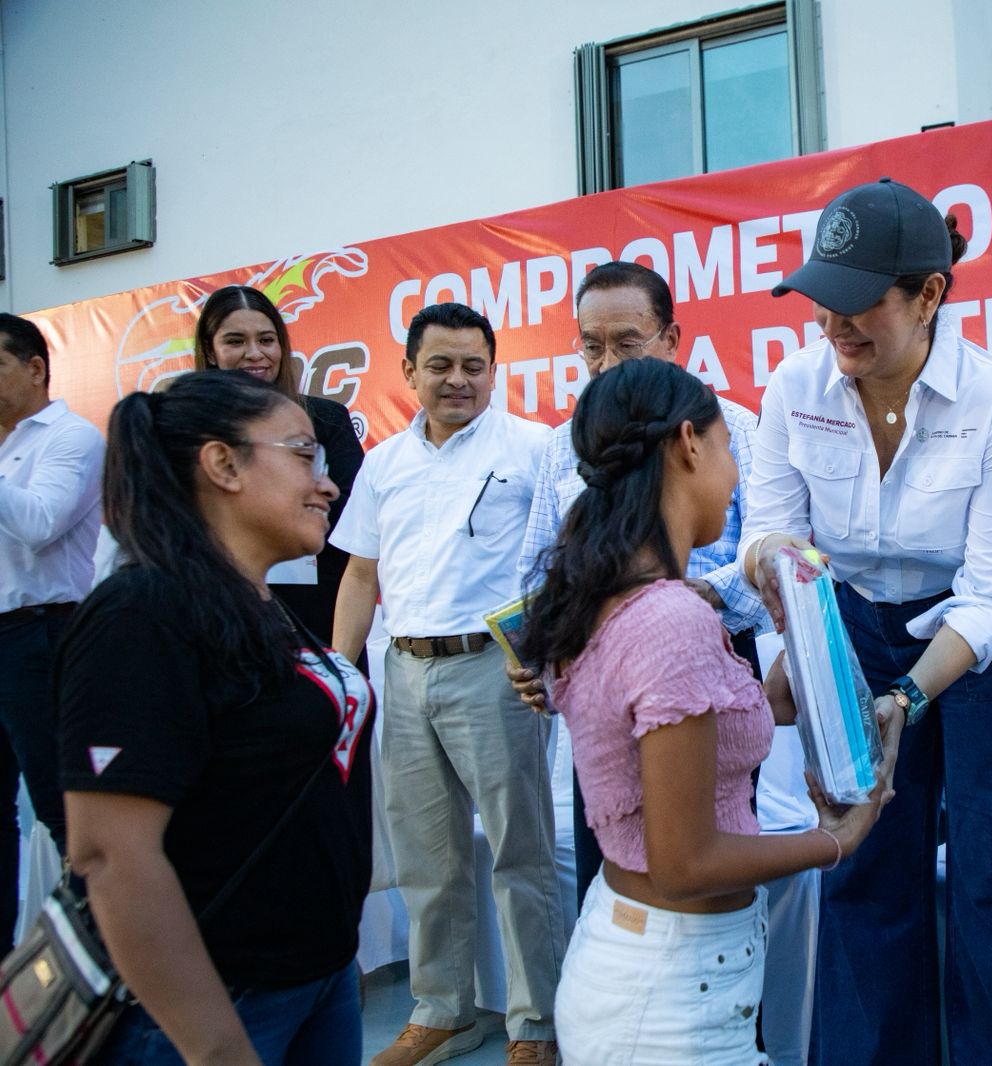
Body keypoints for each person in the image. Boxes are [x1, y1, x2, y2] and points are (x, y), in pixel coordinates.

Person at [741, 177, 992, 1064]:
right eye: (822, 303)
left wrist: (901, 699)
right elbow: (771, 530)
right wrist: (796, 634)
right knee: (862, 864)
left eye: (860, 305)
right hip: (855, 624)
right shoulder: (796, 384)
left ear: (930, 295)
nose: (836, 327)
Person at [519, 356, 888, 1065]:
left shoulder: (632, 599)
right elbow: (685, 861)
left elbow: (708, 733)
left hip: (664, 969)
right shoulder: (667, 619)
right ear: (690, 443)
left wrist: (809, 645)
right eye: (727, 448)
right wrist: (838, 838)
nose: (736, 473)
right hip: (665, 998)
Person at [57, 370, 372, 1064]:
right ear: (222, 463)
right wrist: (215, 1047)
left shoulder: (256, 602)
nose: (328, 485)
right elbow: (110, 852)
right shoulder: (142, 615)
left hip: (316, 979)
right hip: (221, 1007)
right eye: (302, 456)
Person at [331, 302, 564, 1066]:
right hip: (403, 670)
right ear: (410, 372)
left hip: (494, 668)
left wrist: (544, 654)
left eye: (473, 365)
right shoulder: (384, 464)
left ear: (494, 371)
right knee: (427, 858)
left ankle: (535, 1023)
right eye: (440, 364)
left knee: (519, 853)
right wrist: (343, 673)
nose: (457, 379)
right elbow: (361, 571)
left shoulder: (535, 449)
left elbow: (564, 562)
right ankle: (443, 1009)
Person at [514, 260, 766, 902]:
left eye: (627, 343)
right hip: (602, 674)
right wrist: (541, 653)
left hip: (717, 655)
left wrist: (703, 599)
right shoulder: (562, 445)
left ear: (671, 339)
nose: (607, 362)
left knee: (714, 836)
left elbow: (762, 547)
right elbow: (539, 565)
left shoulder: (732, 429)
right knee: (619, 856)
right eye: (590, 346)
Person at [0, 312, 101, 952]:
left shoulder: (73, 436)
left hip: (44, 637)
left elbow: (40, 523)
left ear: (35, 367)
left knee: (65, 810)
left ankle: (94, 968)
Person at [195, 284, 364, 645]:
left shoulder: (326, 419)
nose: (254, 354)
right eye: (236, 341)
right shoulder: (191, 428)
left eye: (267, 340)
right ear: (211, 350)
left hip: (319, 616)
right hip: (220, 614)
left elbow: (354, 513)